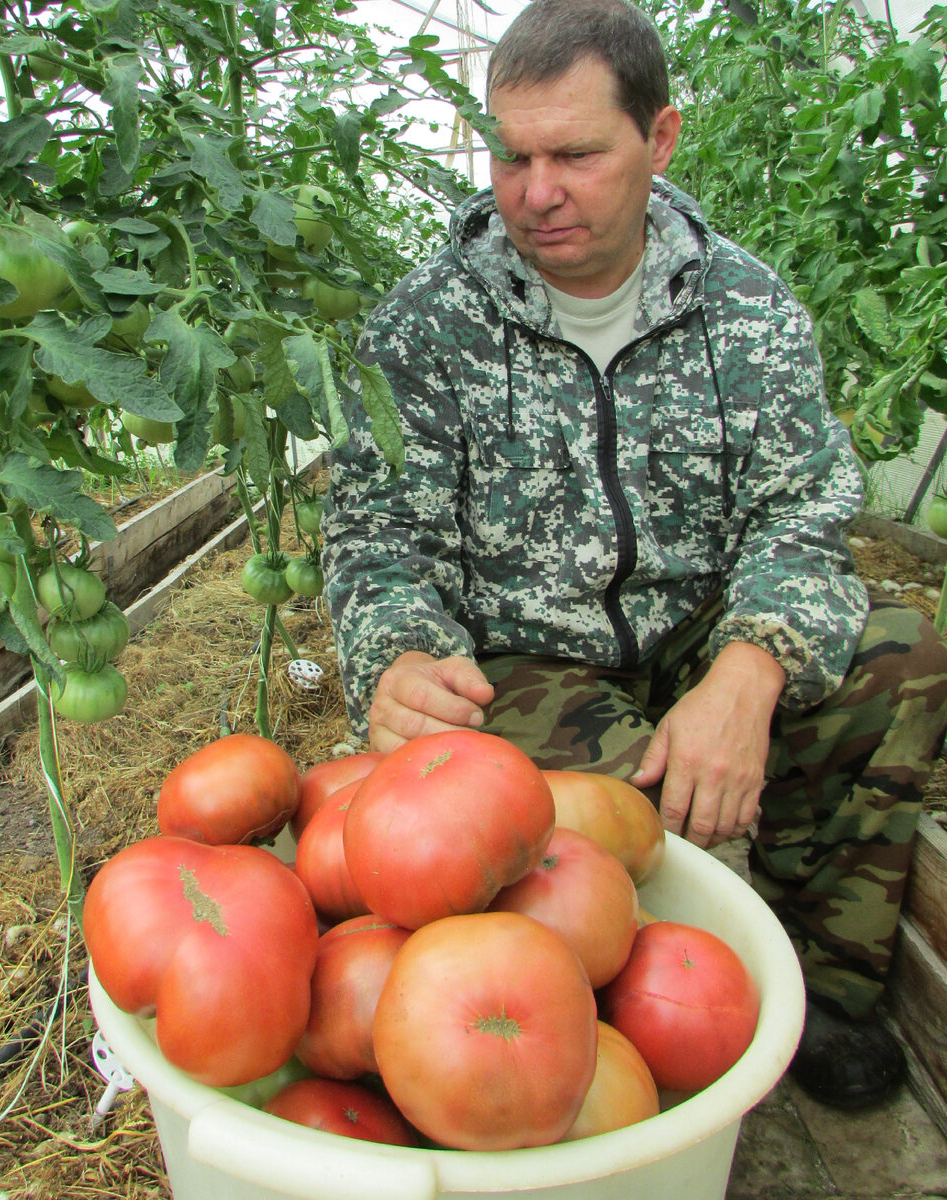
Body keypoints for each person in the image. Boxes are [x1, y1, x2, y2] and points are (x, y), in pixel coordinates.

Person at [321, 0, 947, 1110]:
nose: (533, 191)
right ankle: (620, 1017)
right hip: (525, 660)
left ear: (657, 140)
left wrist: (749, 668)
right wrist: (398, 654)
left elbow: (799, 513)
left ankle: (818, 983)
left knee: (896, 658)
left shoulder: (742, 309)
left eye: (574, 153)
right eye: (510, 155)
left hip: (699, 628)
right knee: (603, 818)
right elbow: (373, 529)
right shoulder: (427, 323)